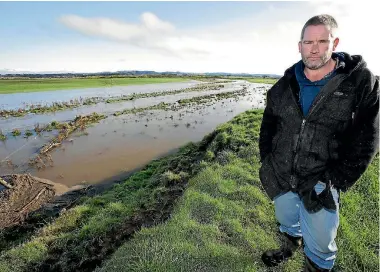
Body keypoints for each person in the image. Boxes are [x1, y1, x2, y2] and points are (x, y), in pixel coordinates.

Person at [258, 14, 379, 272]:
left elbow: (368, 138)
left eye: (321, 41)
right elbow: (268, 125)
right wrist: (267, 161)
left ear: (334, 43)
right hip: (281, 175)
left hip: (322, 182)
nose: (314, 48)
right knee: (287, 220)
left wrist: (335, 179)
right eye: (307, 41)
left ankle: (316, 266)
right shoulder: (284, 85)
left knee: (322, 244)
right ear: (299, 45)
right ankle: (290, 246)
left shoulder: (361, 84)